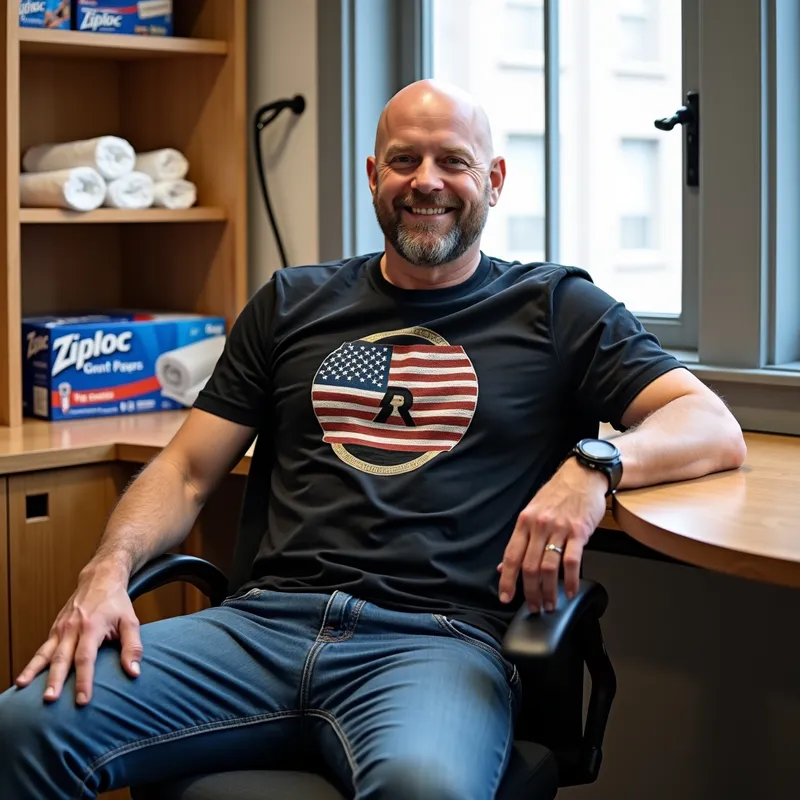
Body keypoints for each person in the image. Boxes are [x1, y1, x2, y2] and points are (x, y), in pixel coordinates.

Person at [0, 80, 745, 799]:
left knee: (425, 789)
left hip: (438, 643)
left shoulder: (555, 307)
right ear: (372, 175)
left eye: (453, 160)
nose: (427, 181)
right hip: (259, 628)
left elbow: (708, 424)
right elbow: (189, 471)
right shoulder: (291, 302)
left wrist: (594, 466)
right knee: (21, 728)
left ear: (495, 177)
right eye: (404, 160)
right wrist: (106, 568)